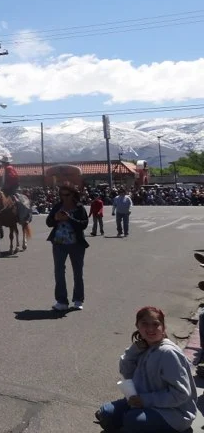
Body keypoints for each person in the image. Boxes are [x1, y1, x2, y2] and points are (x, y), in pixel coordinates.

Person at [96, 306, 196, 433]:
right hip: (143, 402)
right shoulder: (143, 347)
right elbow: (127, 373)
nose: (150, 329)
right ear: (137, 326)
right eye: (144, 324)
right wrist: (134, 349)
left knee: (132, 420)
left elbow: (181, 394)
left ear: (163, 327)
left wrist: (145, 400)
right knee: (106, 413)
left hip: (174, 412)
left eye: (155, 324)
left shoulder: (168, 353)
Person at [46, 182, 89, 311]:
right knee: (59, 272)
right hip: (59, 244)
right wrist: (56, 218)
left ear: (73, 194)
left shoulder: (79, 207)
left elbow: (84, 224)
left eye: (67, 194)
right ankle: (61, 301)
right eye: (62, 195)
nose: (64, 197)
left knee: (78, 272)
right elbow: (49, 222)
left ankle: (78, 299)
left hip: (76, 244)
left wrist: (69, 218)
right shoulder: (57, 206)